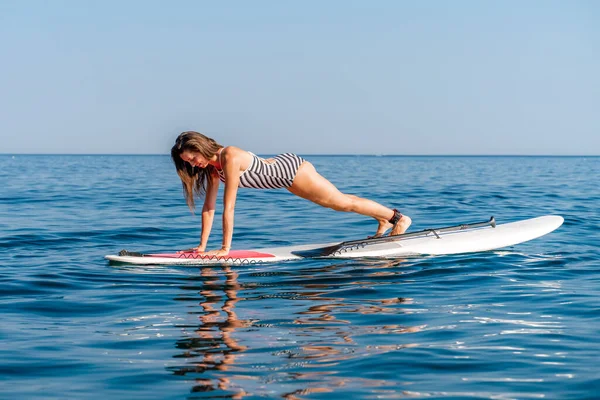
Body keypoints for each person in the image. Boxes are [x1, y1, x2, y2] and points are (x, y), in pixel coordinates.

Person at [171, 131, 411, 256]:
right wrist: (201, 246)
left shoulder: (229, 156)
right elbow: (209, 209)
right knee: (339, 202)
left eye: (192, 158)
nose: (193, 164)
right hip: (284, 178)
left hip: (291, 171)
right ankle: (382, 218)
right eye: (188, 163)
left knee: (340, 202)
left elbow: (229, 206)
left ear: (200, 147)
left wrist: (225, 249)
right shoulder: (213, 170)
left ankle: (397, 219)